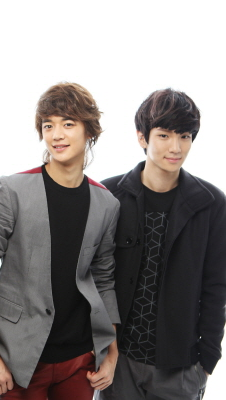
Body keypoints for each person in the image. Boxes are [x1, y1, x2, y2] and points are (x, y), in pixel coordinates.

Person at [0, 82, 120, 399]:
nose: (56, 135)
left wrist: (110, 353)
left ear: (89, 131)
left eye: (68, 124)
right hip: (19, 356)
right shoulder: (13, 190)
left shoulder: (106, 204)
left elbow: (104, 279)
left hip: (80, 359)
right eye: (48, 125)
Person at [97, 89, 226, 400]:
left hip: (180, 368)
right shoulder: (108, 195)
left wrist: (207, 361)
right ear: (142, 137)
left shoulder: (211, 204)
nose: (176, 147)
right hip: (118, 362)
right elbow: (93, 277)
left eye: (184, 136)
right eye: (164, 135)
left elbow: (217, 287)